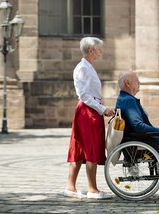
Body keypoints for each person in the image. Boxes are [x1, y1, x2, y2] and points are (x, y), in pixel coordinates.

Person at [64, 37, 114, 199]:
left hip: (90, 110)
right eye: (99, 49)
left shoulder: (87, 67)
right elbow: (84, 95)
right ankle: (92, 189)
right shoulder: (83, 68)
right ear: (91, 50)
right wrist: (102, 109)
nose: (101, 52)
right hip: (88, 112)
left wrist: (101, 108)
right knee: (88, 147)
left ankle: (71, 187)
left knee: (82, 147)